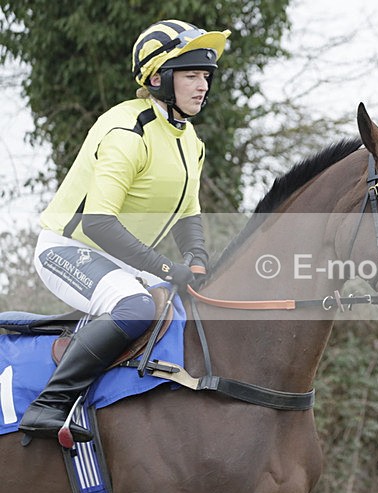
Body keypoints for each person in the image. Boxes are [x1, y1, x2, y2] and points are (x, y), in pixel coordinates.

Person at [18, 20, 230, 442]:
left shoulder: (191, 140)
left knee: (205, 309)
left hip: (121, 257)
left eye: (205, 76)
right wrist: (168, 269)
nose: (202, 85)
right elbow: (99, 223)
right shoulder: (126, 131)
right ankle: (50, 404)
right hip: (68, 249)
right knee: (137, 308)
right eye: (191, 74)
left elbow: (190, 213)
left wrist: (198, 258)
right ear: (158, 78)